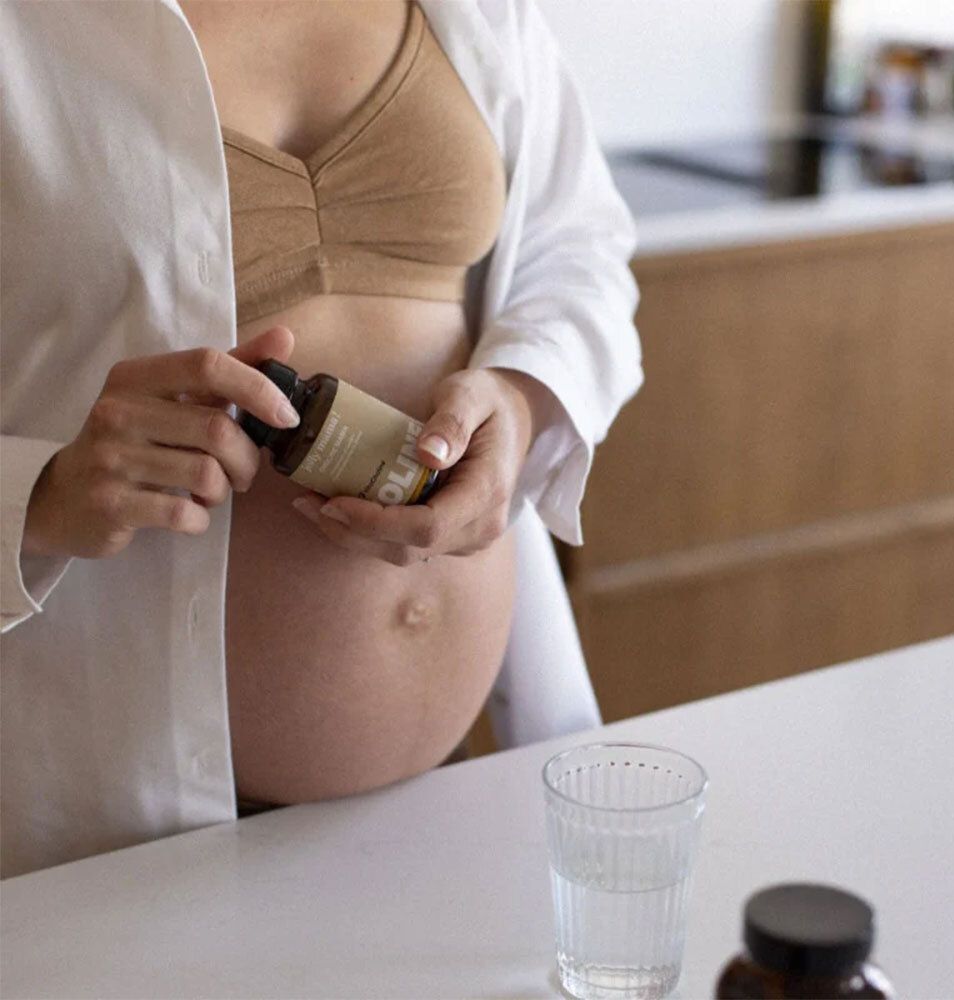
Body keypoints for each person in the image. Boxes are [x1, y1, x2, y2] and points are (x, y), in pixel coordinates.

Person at [0, 0, 642, 878]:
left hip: (455, 794)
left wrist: (523, 398)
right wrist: (37, 497)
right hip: (125, 831)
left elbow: (579, 247)